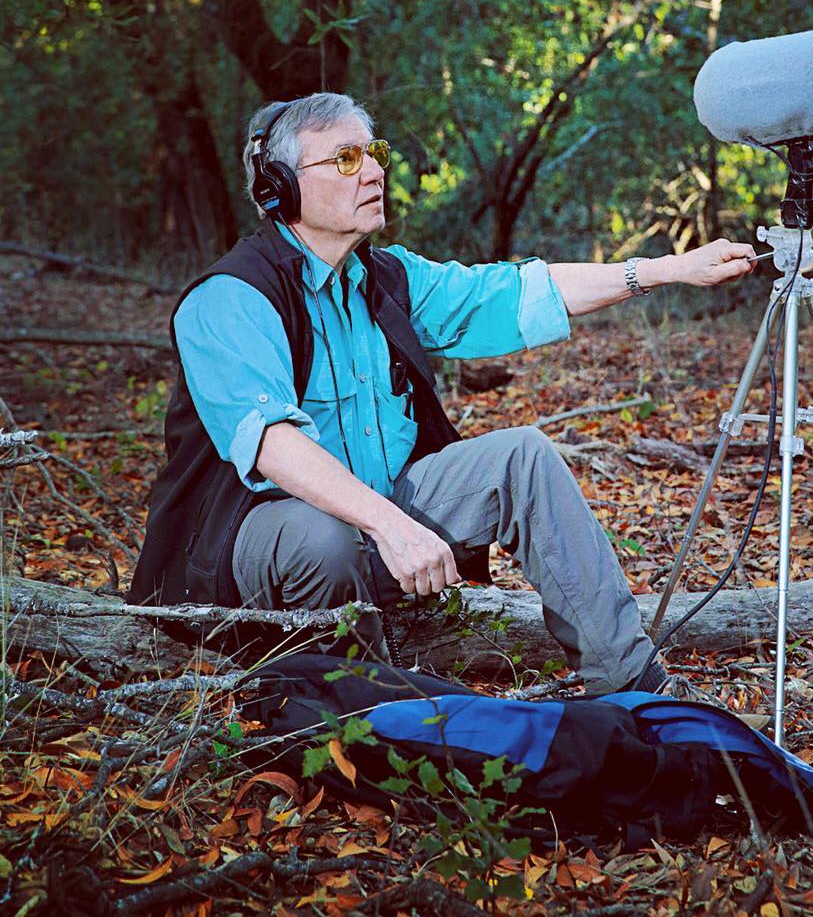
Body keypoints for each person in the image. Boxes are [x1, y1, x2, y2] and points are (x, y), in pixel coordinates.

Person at [128, 92, 756, 694]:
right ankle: (356, 714)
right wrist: (391, 526)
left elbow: (518, 293)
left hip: (378, 520)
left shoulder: (386, 278)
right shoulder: (231, 297)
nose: (372, 171)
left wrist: (666, 270)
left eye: (375, 153)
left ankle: (632, 687)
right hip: (253, 546)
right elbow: (272, 446)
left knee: (521, 457)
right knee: (322, 536)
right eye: (345, 159)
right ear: (279, 190)